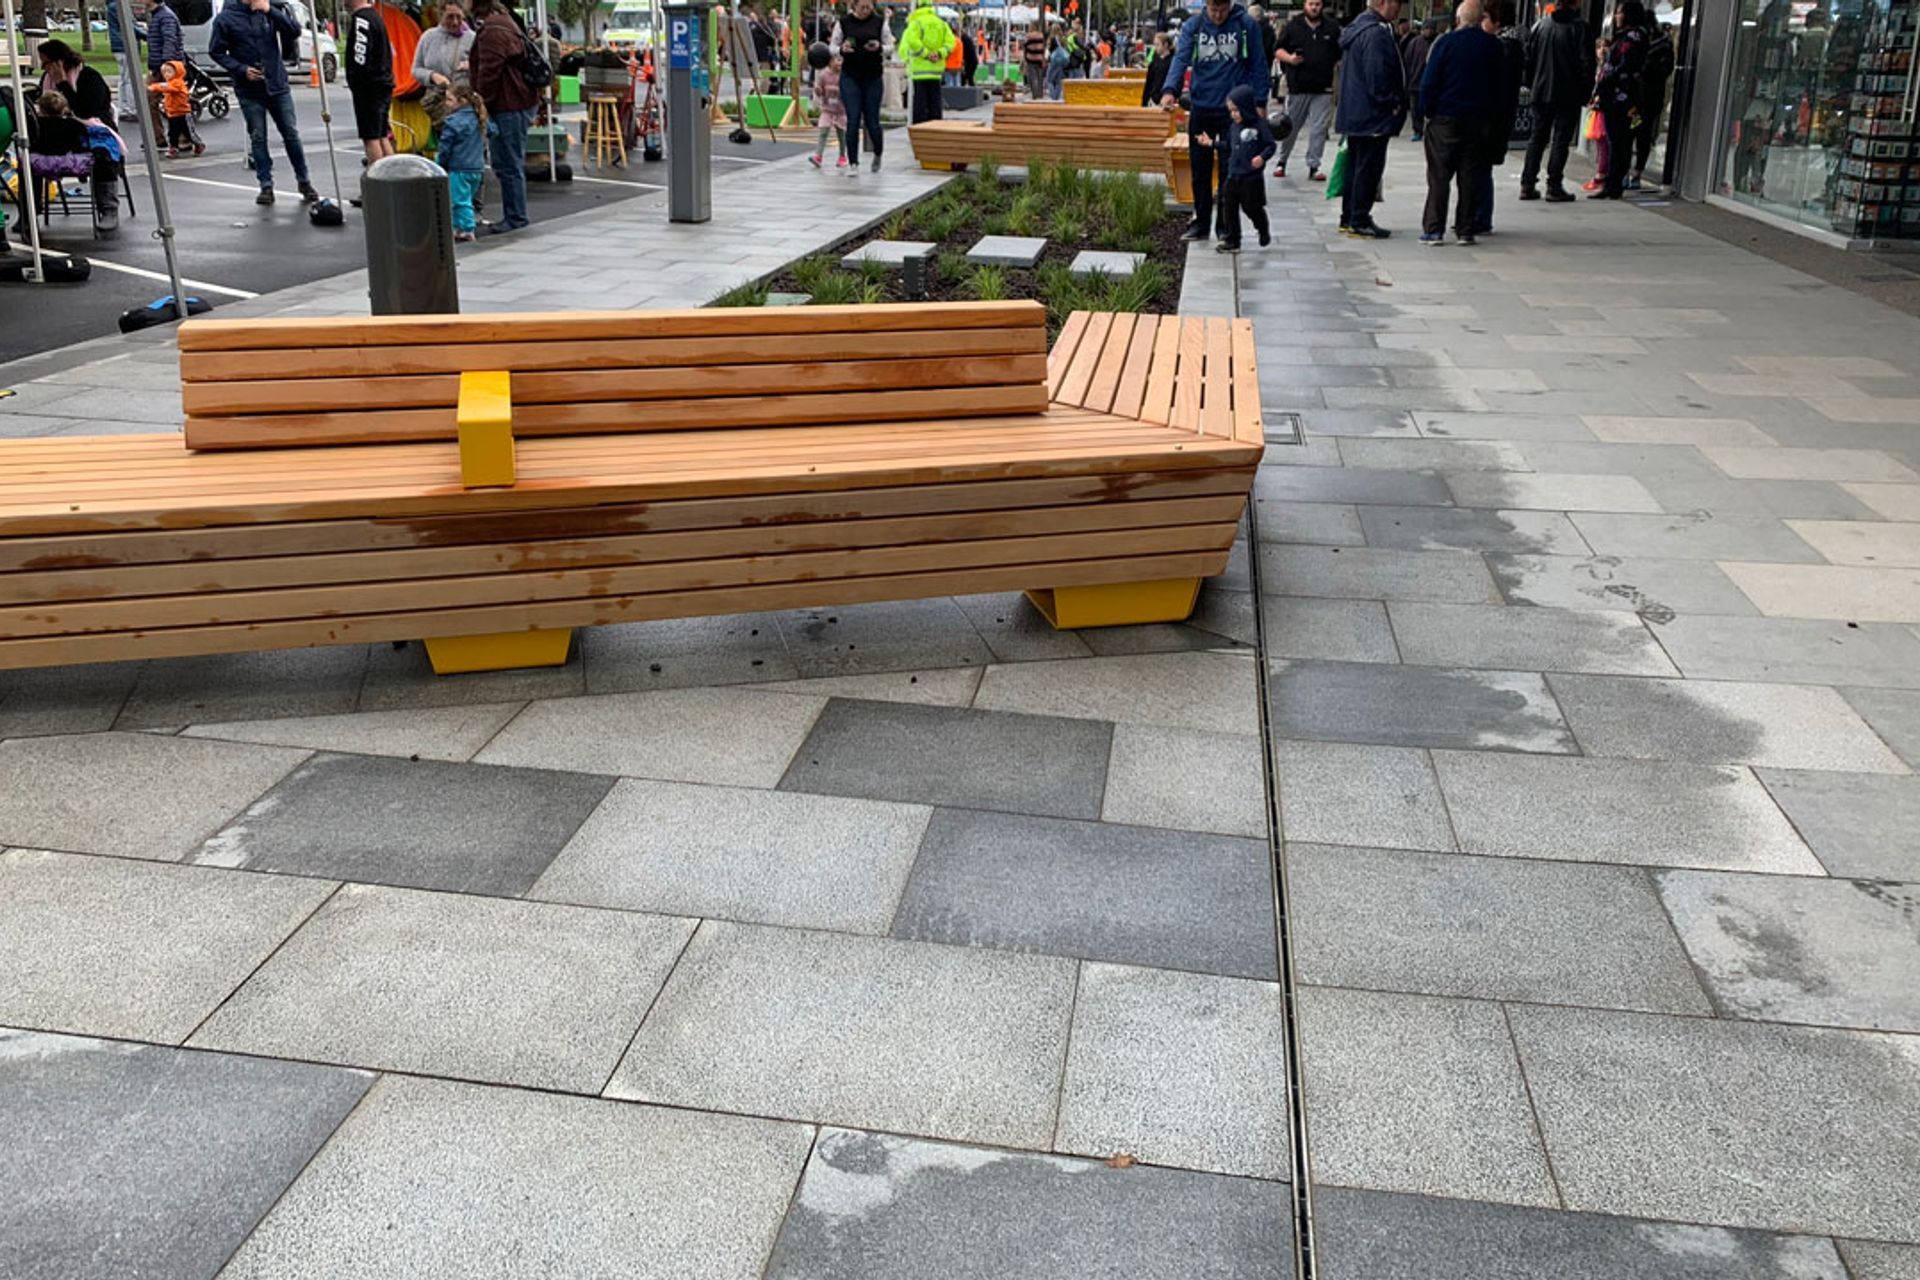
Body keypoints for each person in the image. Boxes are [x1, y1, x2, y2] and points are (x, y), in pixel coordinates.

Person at [1159, 0, 1270, 244]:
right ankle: (1201, 223)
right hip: (1202, 106)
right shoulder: (1194, 26)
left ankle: (1225, 228)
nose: (1218, 15)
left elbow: (1259, 63)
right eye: (1213, 10)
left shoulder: (1245, 25)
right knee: (1200, 169)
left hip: (1233, 112)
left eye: (1222, 10)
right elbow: (1181, 59)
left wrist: (1260, 101)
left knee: (1230, 172)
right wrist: (1170, 89)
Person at [209, 0, 321, 206]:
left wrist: (270, 10)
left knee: (291, 133)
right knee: (258, 137)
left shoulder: (268, 11)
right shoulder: (226, 18)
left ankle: (304, 180)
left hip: (277, 84)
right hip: (249, 89)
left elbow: (294, 30)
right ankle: (266, 185)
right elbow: (215, 51)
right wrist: (241, 69)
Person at [1417, 0, 1501, 245]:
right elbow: (1500, 88)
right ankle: (1465, 229)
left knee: (1439, 176)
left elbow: (1430, 81)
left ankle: (1434, 229)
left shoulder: (1445, 43)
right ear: (1481, 18)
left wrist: (1427, 111)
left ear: (1458, 19)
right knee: (1469, 176)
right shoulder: (1493, 47)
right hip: (1477, 121)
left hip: (1445, 118)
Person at [1334, 0, 1405, 238]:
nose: (1399, 9)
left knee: (1356, 166)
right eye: (1397, 3)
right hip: (1372, 113)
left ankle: (1349, 216)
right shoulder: (1375, 34)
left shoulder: (1358, 28)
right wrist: (1392, 102)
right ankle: (1359, 218)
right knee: (1368, 168)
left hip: (1356, 112)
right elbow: (1377, 75)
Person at [469, 0, 538, 231]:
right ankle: (515, 215)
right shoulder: (504, 21)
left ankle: (516, 217)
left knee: (508, 164)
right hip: (516, 100)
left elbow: (490, 70)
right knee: (510, 163)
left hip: (509, 103)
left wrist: (480, 101)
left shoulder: (493, 29)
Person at [1518, 0, 1593, 201]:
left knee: (1538, 137)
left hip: (1541, 91)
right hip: (1567, 92)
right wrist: (1585, 93)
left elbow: (1528, 60)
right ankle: (1554, 184)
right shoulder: (1580, 28)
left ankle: (1527, 182)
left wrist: (1532, 83)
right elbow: (1587, 63)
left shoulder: (1541, 26)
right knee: (1560, 139)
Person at [1471, 0, 1524, 235]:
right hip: (1497, 115)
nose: (1482, 22)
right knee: (1480, 166)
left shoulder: (1503, 47)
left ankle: (1480, 217)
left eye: (1485, 18)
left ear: (1497, 20)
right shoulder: (1509, 45)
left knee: (1481, 166)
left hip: (1493, 117)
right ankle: (1477, 215)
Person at [1275, 0, 1340, 180]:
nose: (1314, 7)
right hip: (1298, 86)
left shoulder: (1332, 28)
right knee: (1291, 126)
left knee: (1319, 128)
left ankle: (1314, 165)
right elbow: (1278, 49)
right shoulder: (1293, 26)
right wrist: (1289, 58)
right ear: (1305, 5)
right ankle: (1282, 161)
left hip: (1323, 87)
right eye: (1311, 4)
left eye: (1318, 4)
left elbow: (1339, 54)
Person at [1590, 0, 1647, 199]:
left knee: (1619, 142)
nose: (1616, 16)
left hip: (1621, 98)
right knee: (1615, 141)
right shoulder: (1625, 37)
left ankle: (1613, 185)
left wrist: (1608, 75)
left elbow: (1623, 67)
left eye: (1620, 13)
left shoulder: (1633, 38)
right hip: (1615, 96)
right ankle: (1612, 183)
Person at [1209, 85, 1275, 252]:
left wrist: (1262, 157)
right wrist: (1211, 143)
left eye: (1236, 110)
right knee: (1228, 205)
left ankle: (1262, 227)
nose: (1233, 115)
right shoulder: (1233, 126)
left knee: (1250, 207)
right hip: (1233, 174)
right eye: (1231, 111)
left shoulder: (1259, 125)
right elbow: (1228, 146)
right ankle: (1233, 239)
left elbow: (1270, 145)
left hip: (1251, 176)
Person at [831, 0, 893, 172]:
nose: (866, 10)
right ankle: (853, 163)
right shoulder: (844, 23)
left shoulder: (880, 22)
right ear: (854, 6)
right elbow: (832, 47)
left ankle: (878, 153)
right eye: (862, 7)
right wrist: (842, 49)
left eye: (869, 7)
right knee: (853, 119)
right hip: (850, 76)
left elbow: (890, 47)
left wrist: (880, 47)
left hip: (873, 76)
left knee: (872, 120)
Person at [346, 0, 396, 168]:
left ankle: (379, 181)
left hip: (369, 88)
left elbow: (360, 58)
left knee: (371, 137)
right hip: (382, 84)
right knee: (381, 134)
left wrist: (355, 80)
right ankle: (391, 177)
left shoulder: (362, 20)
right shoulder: (375, 17)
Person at [437, 82, 487, 241]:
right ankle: (459, 227)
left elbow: (445, 147)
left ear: (462, 101)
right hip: (477, 168)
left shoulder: (453, 122)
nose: (446, 103)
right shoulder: (479, 117)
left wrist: (440, 164)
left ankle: (467, 229)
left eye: (450, 100)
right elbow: (493, 131)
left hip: (459, 168)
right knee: (466, 199)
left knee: (460, 201)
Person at [1629, 5, 1673, 189]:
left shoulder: (1662, 46)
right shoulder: (1635, 42)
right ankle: (1627, 172)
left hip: (1647, 99)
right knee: (1630, 134)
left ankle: (1637, 173)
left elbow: (1664, 71)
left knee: (1643, 136)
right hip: (1633, 98)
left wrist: (1645, 66)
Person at [413, 0, 476, 117]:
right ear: (440, 14)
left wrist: (472, 65)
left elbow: (483, 68)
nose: (455, 22)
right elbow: (416, 69)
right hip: (436, 105)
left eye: (459, 17)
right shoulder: (428, 37)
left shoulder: (472, 38)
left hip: (464, 107)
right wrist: (432, 76)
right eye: (450, 17)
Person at [37, 40, 114, 123]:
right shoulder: (47, 78)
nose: (42, 67)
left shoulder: (89, 77)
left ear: (60, 62)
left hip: (93, 125)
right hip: (58, 124)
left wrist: (62, 83)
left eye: (46, 63)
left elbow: (84, 112)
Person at [148, 59, 204, 157]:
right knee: (172, 133)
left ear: (177, 72)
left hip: (183, 113)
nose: (166, 74)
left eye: (169, 72)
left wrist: (153, 87)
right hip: (172, 113)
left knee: (188, 132)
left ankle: (198, 143)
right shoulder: (169, 83)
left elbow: (167, 87)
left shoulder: (178, 83)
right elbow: (165, 86)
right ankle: (173, 148)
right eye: (164, 72)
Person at [811, 47, 847, 168]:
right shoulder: (824, 75)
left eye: (841, 60)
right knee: (823, 131)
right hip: (827, 109)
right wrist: (818, 90)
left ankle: (842, 156)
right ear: (830, 61)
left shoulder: (845, 75)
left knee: (841, 135)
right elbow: (819, 91)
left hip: (841, 110)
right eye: (837, 60)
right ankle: (818, 156)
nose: (839, 63)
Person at [1400, 18, 1436, 139]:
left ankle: (1428, 130)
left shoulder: (1436, 43)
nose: (1428, 31)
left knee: (1429, 109)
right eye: (1426, 29)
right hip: (1415, 81)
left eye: (1430, 29)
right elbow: (1406, 60)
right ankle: (1417, 130)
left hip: (1430, 83)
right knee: (1415, 109)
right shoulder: (1414, 43)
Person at [1141, 30, 1173, 106]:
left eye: (1157, 45)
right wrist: (1145, 100)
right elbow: (1149, 81)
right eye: (1155, 45)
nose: (1155, 48)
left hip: (1165, 100)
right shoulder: (1155, 60)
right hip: (1152, 99)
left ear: (1165, 45)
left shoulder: (1173, 62)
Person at [1022, 25, 1047, 100]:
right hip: (1039, 59)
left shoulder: (1029, 36)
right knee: (1039, 77)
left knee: (1033, 78)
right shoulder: (1041, 36)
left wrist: (1025, 57)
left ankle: (1035, 94)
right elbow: (1043, 47)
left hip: (1031, 58)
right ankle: (1039, 94)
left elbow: (1025, 46)